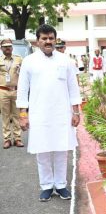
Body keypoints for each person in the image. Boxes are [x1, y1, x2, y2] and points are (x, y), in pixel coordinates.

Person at [16, 24, 81, 202]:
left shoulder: (65, 60)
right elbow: (22, 90)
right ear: (37, 41)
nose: (48, 41)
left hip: (62, 113)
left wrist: (76, 111)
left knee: (61, 150)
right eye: (44, 38)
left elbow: (73, 87)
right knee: (42, 151)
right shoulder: (29, 61)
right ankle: (46, 186)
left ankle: (60, 185)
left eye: (51, 38)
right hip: (39, 113)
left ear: (55, 40)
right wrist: (23, 115)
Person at [0, 39, 24, 149]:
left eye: (9, 46)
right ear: (1, 48)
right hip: (3, 90)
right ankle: (7, 139)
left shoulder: (19, 59)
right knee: (5, 116)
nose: (7, 48)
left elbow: (24, 75)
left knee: (16, 115)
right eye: (5, 46)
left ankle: (17, 138)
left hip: (16, 91)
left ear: (12, 47)